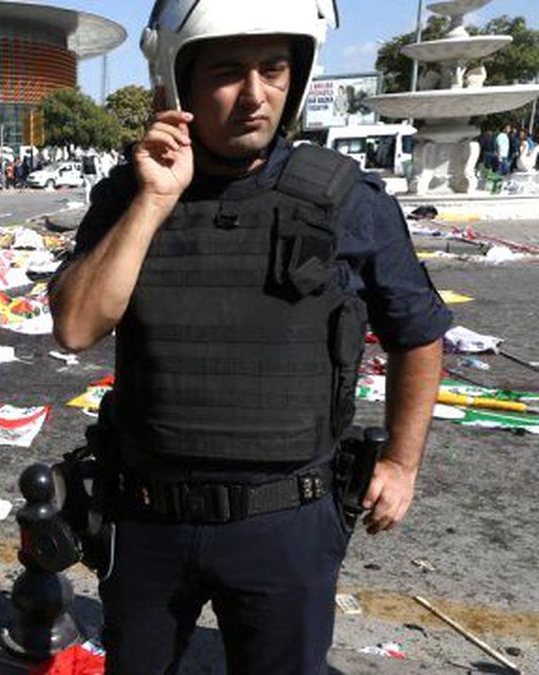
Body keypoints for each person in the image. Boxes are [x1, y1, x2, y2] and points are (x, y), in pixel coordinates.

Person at [49, 2, 451, 672]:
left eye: (275, 68)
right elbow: (75, 326)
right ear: (179, 81)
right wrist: (152, 201)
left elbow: (417, 333)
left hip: (286, 525)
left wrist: (402, 466)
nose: (256, 95)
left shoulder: (347, 200)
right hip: (149, 521)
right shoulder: (130, 193)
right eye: (228, 73)